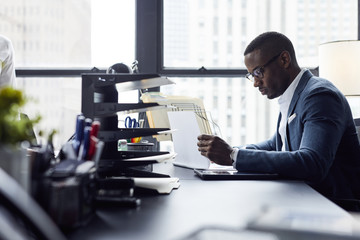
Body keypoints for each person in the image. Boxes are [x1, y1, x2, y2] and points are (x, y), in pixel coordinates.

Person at [197, 31, 360, 202]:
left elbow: (312, 163)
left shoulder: (319, 95)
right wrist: (225, 152)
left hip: (335, 207)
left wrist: (233, 156)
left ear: (284, 60)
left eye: (258, 72)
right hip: (306, 196)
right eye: (251, 75)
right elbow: (275, 144)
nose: (255, 82)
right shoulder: (294, 95)